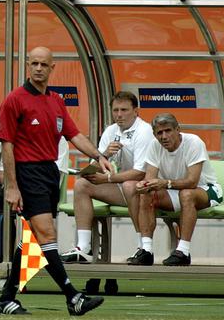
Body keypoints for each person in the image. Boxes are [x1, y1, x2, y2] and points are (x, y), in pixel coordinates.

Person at [0, 46, 108, 316]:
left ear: (52, 68)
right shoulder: (14, 100)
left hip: (49, 173)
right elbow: (6, 145)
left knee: (34, 238)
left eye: (44, 64)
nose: (38, 69)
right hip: (26, 172)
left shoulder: (56, 100)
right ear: (28, 66)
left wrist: (98, 155)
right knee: (47, 235)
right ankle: (73, 296)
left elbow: (74, 134)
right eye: (34, 63)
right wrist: (11, 185)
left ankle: (6, 298)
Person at [61, 91, 154, 263]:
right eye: (115, 110)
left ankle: (143, 247)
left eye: (124, 110)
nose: (119, 115)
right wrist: (104, 155)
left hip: (147, 191)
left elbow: (140, 173)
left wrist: (109, 179)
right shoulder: (110, 130)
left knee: (130, 185)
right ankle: (84, 248)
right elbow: (95, 167)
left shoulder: (144, 131)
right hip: (123, 188)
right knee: (81, 185)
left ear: (136, 111)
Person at [130, 113, 223, 266]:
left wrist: (165, 183)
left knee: (187, 194)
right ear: (154, 135)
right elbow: (150, 179)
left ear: (178, 130)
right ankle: (146, 250)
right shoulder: (154, 146)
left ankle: (183, 252)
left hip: (206, 189)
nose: (164, 136)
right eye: (159, 133)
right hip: (175, 191)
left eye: (168, 131)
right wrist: (143, 185)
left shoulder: (193, 142)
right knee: (146, 194)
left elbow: (192, 182)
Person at [0, 137, 68, 263]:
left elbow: (55, 173)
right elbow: (1, 172)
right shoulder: (15, 137)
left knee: (40, 237)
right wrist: (13, 187)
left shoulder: (58, 139)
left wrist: (25, 190)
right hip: (13, 187)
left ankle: (16, 266)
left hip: (42, 191)